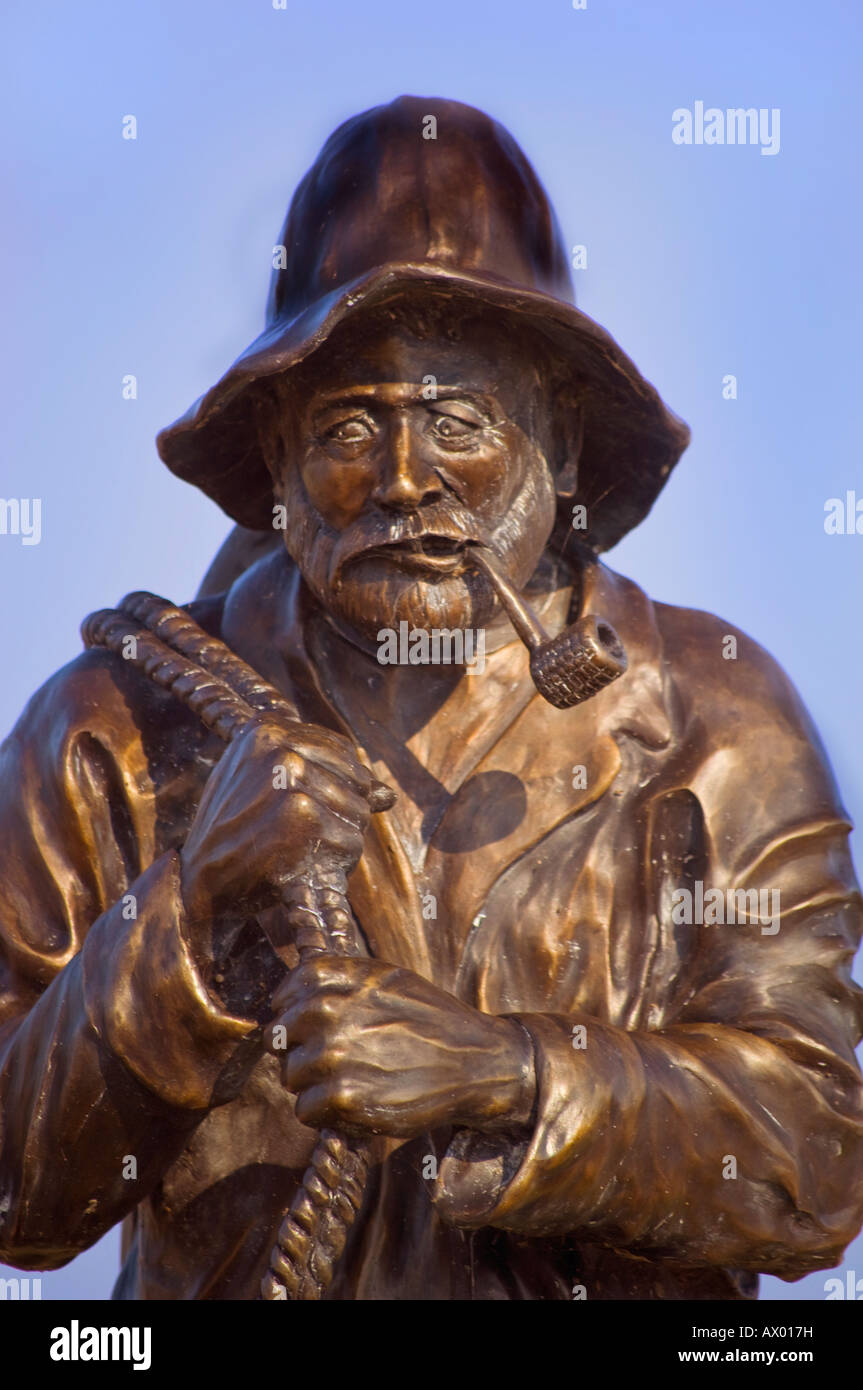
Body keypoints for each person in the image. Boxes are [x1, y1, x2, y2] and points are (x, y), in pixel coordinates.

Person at [1, 95, 861, 1301]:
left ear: (559, 447)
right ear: (278, 457)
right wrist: (190, 921)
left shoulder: (717, 724)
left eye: (457, 421)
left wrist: (506, 1076)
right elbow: (15, 1193)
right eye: (352, 426)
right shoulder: (111, 731)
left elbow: (816, 1153)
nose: (406, 481)